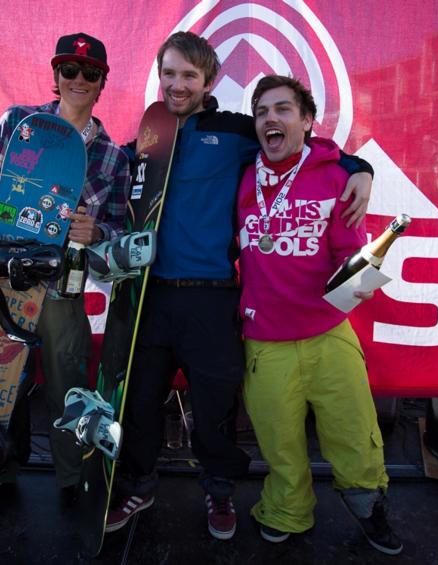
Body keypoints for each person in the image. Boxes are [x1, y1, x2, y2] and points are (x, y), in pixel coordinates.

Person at [105, 31, 375, 540]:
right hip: (149, 295)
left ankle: (219, 489)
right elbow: (116, 179)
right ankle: (138, 484)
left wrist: (357, 166)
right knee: (140, 400)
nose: (177, 84)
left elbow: (301, 145)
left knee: (214, 402)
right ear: (158, 77)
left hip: (211, 294)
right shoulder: (149, 133)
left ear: (209, 79)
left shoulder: (235, 130)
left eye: (189, 75)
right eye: (169, 74)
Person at [0, 33, 130, 504]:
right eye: (69, 70)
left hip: (60, 287)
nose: (78, 79)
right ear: (55, 76)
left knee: (67, 385)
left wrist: (99, 234)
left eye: (90, 73)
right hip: (5, 278)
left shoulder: (113, 156)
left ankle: (72, 484)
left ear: (101, 83)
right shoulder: (19, 125)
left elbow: (115, 231)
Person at [238, 74, 402, 555]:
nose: (272, 119)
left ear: (307, 121)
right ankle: (287, 509)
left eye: (284, 109)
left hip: (328, 333)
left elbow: (350, 256)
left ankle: (369, 508)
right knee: (278, 441)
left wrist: (359, 282)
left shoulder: (336, 174)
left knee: (354, 434)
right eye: (263, 111)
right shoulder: (242, 176)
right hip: (264, 340)